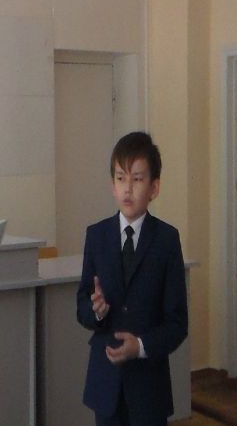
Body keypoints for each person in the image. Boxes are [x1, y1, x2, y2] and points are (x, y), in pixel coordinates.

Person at [76, 131, 188, 426]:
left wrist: (140, 346)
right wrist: (96, 311)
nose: (127, 188)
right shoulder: (96, 236)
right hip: (106, 383)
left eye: (137, 179)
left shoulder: (166, 240)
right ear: (112, 185)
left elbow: (177, 323)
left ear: (154, 187)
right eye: (120, 178)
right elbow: (82, 306)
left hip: (148, 386)